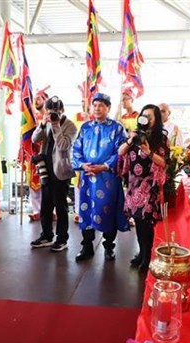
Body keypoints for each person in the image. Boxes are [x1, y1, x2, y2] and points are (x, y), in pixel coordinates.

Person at [72, 92, 129, 262]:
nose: (97, 108)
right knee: (86, 210)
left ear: (108, 108)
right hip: (88, 178)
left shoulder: (117, 128)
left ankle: (109, 247)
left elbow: (121, 152)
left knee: (108, 210)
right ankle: (86, 246)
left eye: (101, 105)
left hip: (107, 179)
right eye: (95, 105)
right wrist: (82, 165)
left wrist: (104, 166)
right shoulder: (85, 127)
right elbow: (76, 149)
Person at [118, 105, 169, 272]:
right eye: (144, 115)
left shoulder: (160, 139)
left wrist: (148, 152)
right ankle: (142, 253)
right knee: (139, 222)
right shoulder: (135, 134)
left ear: (156, 120)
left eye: (150, 117)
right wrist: (129, 140)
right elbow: (120, 152)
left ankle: (147, 257)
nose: (146, 119)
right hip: (133, 184)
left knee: (146, 222)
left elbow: (164, 163)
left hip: (149, 184)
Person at [30, 96, 77, 252]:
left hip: (61, 170)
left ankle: (62, 239)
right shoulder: (47, 122)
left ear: (62, 111)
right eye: (50, 111)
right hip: (46, 170)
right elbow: (34, 139)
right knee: (46, 205)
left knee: (61, 206)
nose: (53, 114)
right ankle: (46, 235)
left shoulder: (70, 125)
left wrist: (56, 126)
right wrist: (43, 124)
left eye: (56, 111)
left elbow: (63, 145)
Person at [27, 90, 49, 221]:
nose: (36, 101)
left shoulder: (52, 116)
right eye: (35, 99)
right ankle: (36, 210)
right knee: (34, 183)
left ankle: (50, 211)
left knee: (48, 184)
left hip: (47, 153)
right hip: (34, 153)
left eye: (39, 98)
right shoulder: (31, 117)